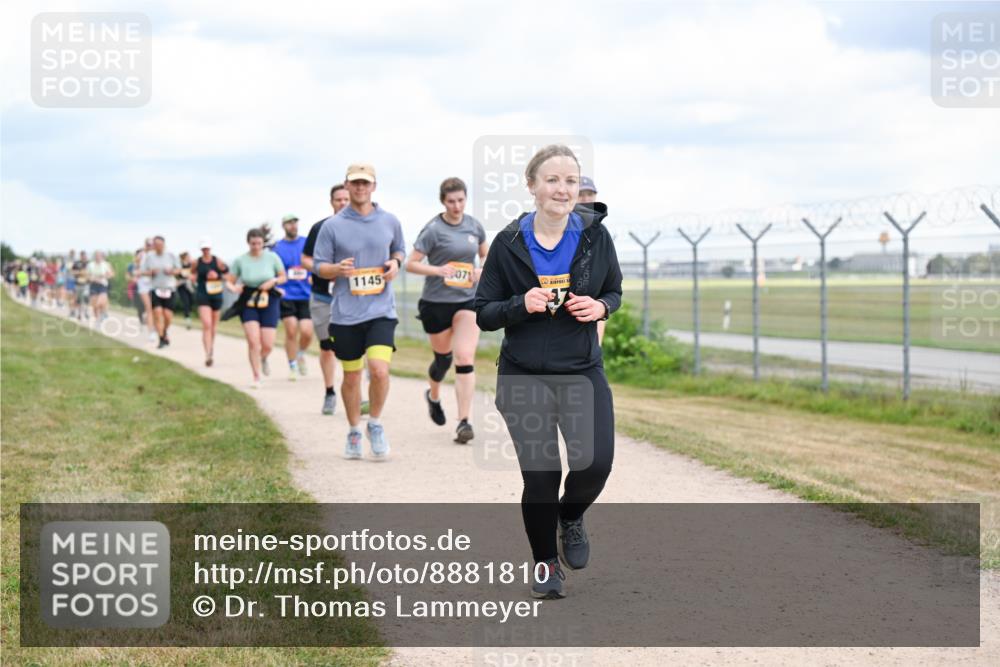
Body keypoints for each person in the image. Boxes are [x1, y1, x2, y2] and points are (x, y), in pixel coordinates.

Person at [474, 145, 622, 599]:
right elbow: (484, 313)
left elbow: (614, 291)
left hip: (581, 369)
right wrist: (522, 304)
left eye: (571, 181)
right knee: (541, 475)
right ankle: (545, 563)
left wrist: (599, 306)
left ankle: (571, 516)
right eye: (553, 180)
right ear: (532, 186)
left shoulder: (597, 237)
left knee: (595, 464)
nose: (563, 189)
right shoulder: (508, 243)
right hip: (524, 374)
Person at [313, 162, 405, 460]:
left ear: (374, 186)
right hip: (345, 314)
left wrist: (395, 264)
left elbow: (400, 251)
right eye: (355, 183)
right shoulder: (333, 226)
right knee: (352, 378)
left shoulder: (389, 221)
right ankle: (354, 430)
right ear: (347, 185)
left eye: (366, 183)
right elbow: (319, 267)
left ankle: (374, 423)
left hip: (381, 310)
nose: (360, 188)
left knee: (379, 370)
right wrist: (336, 269)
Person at [405, 177, 487, 444]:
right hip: (436, 302)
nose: (456, 206)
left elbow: (486, 256)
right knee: (443, 361)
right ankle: (433, 395)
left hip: (467, 300)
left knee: (464, 356)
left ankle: (464, 422)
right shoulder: (433, 230)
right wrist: (437, 270)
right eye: (451, 201)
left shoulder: (474, 226)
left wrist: (481, 270)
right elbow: (411, 263)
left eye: (461, 200)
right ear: (443, 202)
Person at [302, 184, 350, 414]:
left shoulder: (361, 227)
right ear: (331, 202)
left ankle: (357, 394)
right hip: (323, 295)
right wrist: (325, 270)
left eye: (345, 199)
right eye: (338, 200)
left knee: (353, 347)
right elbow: (305, 259)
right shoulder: (319, 228)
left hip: (351, 296)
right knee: (327, 347)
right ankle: (330, 391)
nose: (342, 203)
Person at [226, 226, 287, 388]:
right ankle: (256, 376)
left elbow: (283, 277)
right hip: (248, 301)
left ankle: (264, 357)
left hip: (269, 299)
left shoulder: (272, 257)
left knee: (267, 344)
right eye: (253, 243)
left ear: (263, 243)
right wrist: (234, 288)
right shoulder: (240, 260)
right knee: (253, 341)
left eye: (259, 243)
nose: (256, 246)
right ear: (248, 243)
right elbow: (229, 281)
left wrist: (273, 281)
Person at [273, 214, 314, 380]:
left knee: (307, 332)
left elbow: (314, 261)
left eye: (295, 222)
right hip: (287, 295)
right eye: (289, 223)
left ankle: (300, 353)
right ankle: (292, 365)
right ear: (284, 226)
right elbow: (272, 269)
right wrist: (277, 287)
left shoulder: (306, 242)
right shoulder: (277, 247)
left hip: (306, 294)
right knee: (291, 331)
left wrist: (313, 275)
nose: (293, 226)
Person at [578, 176, 610, 345]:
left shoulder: (600, 230)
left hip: (594, 290)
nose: (586, 198)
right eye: (581, 194)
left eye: (590, 194)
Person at [141, 235, 181, 348]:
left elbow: (179, 270)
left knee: (168, 316)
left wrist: (172, 271)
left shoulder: (171, 255)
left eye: (160, 244)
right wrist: (151, 272)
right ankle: (161, 339)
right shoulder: (149, 256)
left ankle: (164, 331)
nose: (158, 247)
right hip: (155, 288)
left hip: (169, 288)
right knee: (158, 313)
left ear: (164, 245)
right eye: (155, 245)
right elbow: (143, 272)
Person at [193, 237, 228, 367]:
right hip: (203, 294)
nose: (205, 251)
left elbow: (227, 274)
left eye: (207, 248)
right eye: (203, 249)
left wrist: (217, 275)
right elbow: (191, 274)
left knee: (213, 326)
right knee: (206, 324)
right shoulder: (197, 262)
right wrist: (194, 278)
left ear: (210, 248)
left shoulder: (217, 260)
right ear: (201, 249)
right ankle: (207, 354)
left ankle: (211, 348)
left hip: (216, 294)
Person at [86, 250, 115, 322]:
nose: (98, 257)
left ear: (102, 257)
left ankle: (103, 312)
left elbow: (112, 274)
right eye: (96, 256)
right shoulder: (90, 265)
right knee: (94, 305)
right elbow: (86, 275)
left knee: (100, 302)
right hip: (93, 285)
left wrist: (104, 276)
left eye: (99, 256)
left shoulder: (106, 264)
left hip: (103, 285)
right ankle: (97, 319)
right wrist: (92, 278)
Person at [137, 239, 155, 340]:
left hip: (154, 284)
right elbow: (138, 268)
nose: (150, 246)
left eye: (152, 244)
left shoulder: (156, 256)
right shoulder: (141, 255)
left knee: (154, 308)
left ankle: (155, 327)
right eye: (148, 244)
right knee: (149, 308)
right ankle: (151, 331)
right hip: (143, 284)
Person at [176, 252, 195, 329]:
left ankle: (189, 315)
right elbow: (177, 274)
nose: (189, 257)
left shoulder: (191, 265)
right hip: (181, 286)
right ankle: (188, 320)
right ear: (184, 257)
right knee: (186, 302)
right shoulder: (179, 265)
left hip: (190, 286)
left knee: (191, 301)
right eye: (188, 256)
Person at [126, 249, 145, 324]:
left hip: (146, 286)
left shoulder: (147, 265)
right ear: (136, 256)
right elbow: (127, 276)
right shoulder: (131, 265)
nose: (141, 256)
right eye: (140, 255)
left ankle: (147, 316)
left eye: (143, 255)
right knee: (139, 304)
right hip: (135, 286)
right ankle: (141, 317)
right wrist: (132, 279)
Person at [71, 251, 90, 320]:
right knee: (78, 299)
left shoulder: (89, 263)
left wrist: (87, 274)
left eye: (84, 255)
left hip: (86, 284)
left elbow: (91, 273)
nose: (83, 257)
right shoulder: (76, 263)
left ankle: (86, 312)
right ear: (80, 256)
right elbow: (72, 272)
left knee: (86, 298)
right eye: (82, 256)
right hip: (78, 284)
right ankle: (79, 313)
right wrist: (79, 272)